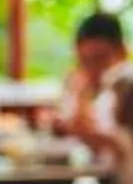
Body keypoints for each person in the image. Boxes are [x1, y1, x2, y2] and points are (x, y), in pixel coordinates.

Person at [54, 9, 129, 144]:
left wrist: (88, 134)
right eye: (84, 61)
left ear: (123, 52)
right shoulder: (88, 89)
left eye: (99, 59)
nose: (92, 70)